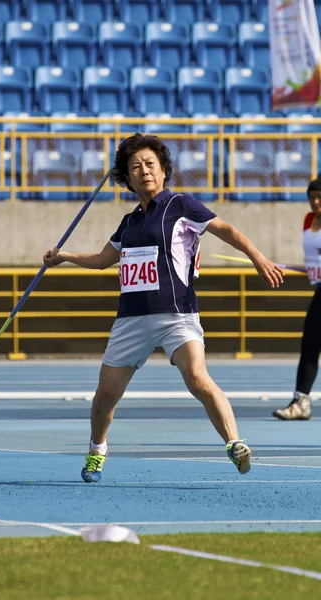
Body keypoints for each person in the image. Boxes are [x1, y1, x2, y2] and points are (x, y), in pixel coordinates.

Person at [43, 134, 284, 483]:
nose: (144, 172)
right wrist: (63, 257)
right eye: (135, 167)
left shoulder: (181, 205)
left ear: (163, 171)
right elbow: (101, 260)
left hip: (176, 315)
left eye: (150, 165)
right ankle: (97, 450)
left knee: (198, 379)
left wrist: (258, 258)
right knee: (104, 397)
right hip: (131, 319)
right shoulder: (129, 223)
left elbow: (226, 229)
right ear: (127, 179)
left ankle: (234, 443)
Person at [273, 177, 321, 420]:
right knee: (310, 344)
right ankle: (301, 400)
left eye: (319, 197)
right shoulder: (308, 220)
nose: (314, 202)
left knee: (311, 342)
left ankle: (300, 400)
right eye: (311, 197)